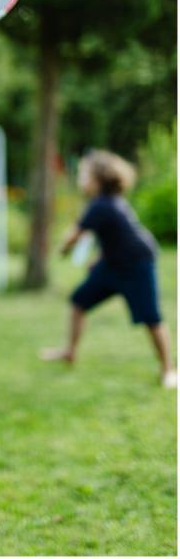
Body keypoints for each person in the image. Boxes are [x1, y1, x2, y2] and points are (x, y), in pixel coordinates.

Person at [41, 149, 176, 389]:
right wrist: (100, 258)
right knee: (79, 301)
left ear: (98, 179)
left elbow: (75, 235)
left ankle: (168, 370)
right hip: (112, 264)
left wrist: (62, 249)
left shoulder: (101, 205)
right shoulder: (108, 204)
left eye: (84, 174)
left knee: (151, 317)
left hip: (137, 265)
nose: (80, 178)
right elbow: (114, 236)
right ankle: (70, 352)